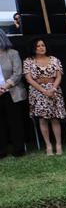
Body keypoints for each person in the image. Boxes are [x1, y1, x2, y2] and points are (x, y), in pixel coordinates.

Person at [23, 38, 66, 156]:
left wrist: (52, 89)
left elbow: (58, 76)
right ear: (34, 48)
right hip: (38, 92)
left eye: (43, 45)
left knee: (55, 119)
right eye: (38, 46)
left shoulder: (54, 59)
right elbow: (29, 79)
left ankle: (58, 144)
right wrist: (43, 90)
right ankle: (48, 145)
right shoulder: (28, 61)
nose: (41, 47)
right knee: (43, 120)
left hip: (54, 91)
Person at [0, 30, 26, 158]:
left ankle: (18, 148)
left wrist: (4, 87)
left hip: (12, 92)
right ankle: (2, 150)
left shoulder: (13, 53)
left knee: (15, 121)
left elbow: (17, 73)